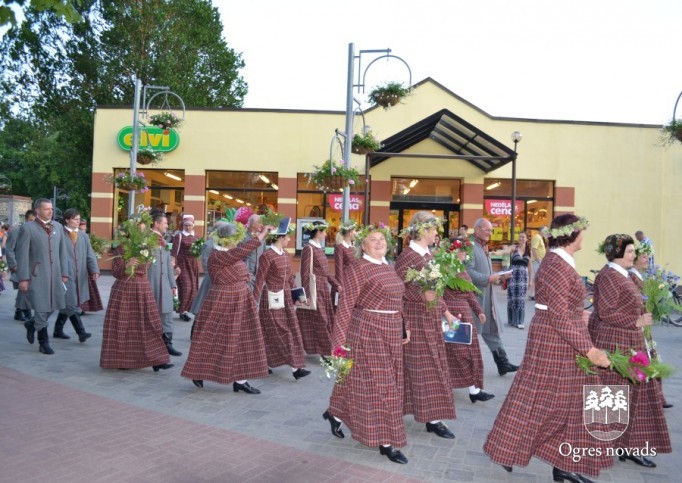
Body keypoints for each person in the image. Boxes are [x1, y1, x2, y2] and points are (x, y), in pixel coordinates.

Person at [484, 214, 613, 482]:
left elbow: (561, 306)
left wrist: (580, 314)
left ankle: (563, 463)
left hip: (563, 336)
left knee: (572, 401)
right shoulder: (556, 264)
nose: (584, 235)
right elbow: (557, 315)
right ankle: (507, 448)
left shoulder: (561, 261)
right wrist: (589, 350)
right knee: (539, 398)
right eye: (582, 231)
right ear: (572, 235)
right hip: (554, 340)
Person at [324, 224, 409, 464]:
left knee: (355, 380)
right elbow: (345, 307)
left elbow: (398, 300)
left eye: (382, 238)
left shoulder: (389, 266)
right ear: (363, 245)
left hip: (391, 332)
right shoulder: (358, 268)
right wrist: (338, 345)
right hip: (367, 333)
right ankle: (387, 442)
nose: (379, 242)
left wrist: (405, 326)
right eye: (373, 239)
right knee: (382, 387)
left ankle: (334, 413)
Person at [588, 234, 671, 468]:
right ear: (617, 253)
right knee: (613, 394)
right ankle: (603, 446)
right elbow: (605, 312)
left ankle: (628, 446)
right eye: (630, 251)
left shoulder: (623, 274)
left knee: (634, 396)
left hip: (630, 341)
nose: (635, 255)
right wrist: (636, 321)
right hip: (616, 341)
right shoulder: (609, 275)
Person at [181, 222, 273, 392]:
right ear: (227, 239)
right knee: (213, 338)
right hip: (223, 301)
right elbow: (244, 250)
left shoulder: (228, 254)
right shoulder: (218, 255)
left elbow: (241, 255)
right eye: (235, 238)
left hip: (239, 301)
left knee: (241, 340)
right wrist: (263, 233)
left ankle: (240, 381)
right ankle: (198, 371)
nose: (238, 241)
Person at [395, 211, 457, 440]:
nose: (436, 234)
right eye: (434, 230)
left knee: (430, 366)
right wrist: (421, 296)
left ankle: (431, 417)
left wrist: (447, 313)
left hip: (430, 319)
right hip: (415, 318)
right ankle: (430, 418)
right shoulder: (407, 256)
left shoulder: (429, 255)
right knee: (422, 367)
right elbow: (399, 290)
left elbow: (435, 291)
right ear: (423, 231)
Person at [100, 216, 173, 372]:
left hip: (143, 287)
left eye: (144, 228)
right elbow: (116, 272)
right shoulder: (122, 247)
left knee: (151, 323)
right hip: (125, 289)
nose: (143, 231)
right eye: (140, 228)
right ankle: (123, 360)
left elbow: (150, 266)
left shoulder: (146, 246)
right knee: (125, 325)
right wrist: (128, 264)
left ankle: (157, 359)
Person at [252, 223, 310, 380]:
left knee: (281, 331)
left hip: (286, 298)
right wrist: (254, 302)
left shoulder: (284, 254)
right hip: (272, 298)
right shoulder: (267, 255)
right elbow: (259, 279)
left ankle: (265, 363)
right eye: (288, 237)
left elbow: (290, 278)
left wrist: (300, 297)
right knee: (281, 331)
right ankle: (295, 368)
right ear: (281, 237)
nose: (289, 240)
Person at [441, 239, 494, 403]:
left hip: (465, 315)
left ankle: (474, 390)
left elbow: (470, 293)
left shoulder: (461, 269)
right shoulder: (445, 269)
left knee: (469, 351)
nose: (465, 254)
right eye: (461, 251)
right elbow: (438, 294)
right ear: (453, 252)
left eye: (465, 251)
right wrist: (446, 313)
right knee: (456, 352)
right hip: (453, 316)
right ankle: (450, 386)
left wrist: (479, 311)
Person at [466, 218, 519, 375]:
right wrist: (488, 278)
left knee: (491, 329)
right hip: (474, 298)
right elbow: (467, 272)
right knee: (470, 333)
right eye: (487, 230)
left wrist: (499, 276)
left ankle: (503, 363)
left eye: (491, 230)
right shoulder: (470, 247)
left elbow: (483, 270)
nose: (490, 233)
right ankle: (464, 368)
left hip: (486, 296)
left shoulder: (482, 246)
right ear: (477, 229)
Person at [16, 199, 69, 355]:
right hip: (37, 275)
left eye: (51, 208)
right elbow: (22, 254)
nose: (50, 211)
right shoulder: (28, 228)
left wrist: (64, 272)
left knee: (54, 305)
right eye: (46, 209)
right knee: (41, 306)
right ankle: (43, 341)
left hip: (55, 274)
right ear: (37, 211)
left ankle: (32, 323)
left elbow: (62, 251)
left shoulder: (58, 227)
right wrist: (23, 278)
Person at [629, 242, 672, 409]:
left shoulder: (640, 276)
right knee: (644, 360)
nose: (647, 259)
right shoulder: (632, 276)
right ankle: (653, 399)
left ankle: (658, 398)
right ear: (635, 259)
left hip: (644, 324)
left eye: (647, 256)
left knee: (651, 358)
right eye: (644, 257)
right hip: (638, 324)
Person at [52, 208, 99, 342]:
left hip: (80, 275)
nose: (78, 221)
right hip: (64, 275)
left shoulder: (83, 236)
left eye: (79, 219)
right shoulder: (59, 235)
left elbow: (90, 255)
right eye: (75, 219)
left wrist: (94, 270)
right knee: (71, 303)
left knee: (68, 303)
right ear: (67, 220)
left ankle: (56, 330)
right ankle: (81, 332)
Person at [297, 221, 340, 356]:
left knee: (324, 320)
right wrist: (306, 295)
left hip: (322, 289)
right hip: (314, 289)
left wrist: (336, 285)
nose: (326, 234)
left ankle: (324, 351)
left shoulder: (319, 249)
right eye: (324, 231)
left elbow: (326, 272)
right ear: (318, 232)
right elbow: (305, 273)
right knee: (321, 320)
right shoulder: (308, 248)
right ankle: (327, 353)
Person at [148, 212, 181, 357]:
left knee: (167, 313)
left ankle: (168, 344)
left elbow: (168, 265)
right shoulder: (147, 240)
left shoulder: (164, 242)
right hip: (151, 283)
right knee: (152, 315)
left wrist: (173, 284)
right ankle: (154, 347)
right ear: (156, 224)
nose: (167, 226)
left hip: (165, 284)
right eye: (165, 223)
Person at [5, 210, 36, 322]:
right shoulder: (16, 232)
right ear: (26, 219)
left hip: (32, 267)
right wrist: (13, 265)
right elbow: (9, 250)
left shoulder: (35, 232)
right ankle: (27, 313)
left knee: (25, 289)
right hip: (19, 266)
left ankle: (18, 312)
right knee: (25, 289)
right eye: (31, 220)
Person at [172, 214, 199, 321]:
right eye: (186, 225)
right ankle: (182, 311)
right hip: (182, 264)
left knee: (193, 288)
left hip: (193, 264)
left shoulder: (196, 237)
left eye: (190, 225)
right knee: (186, 288)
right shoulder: (179, 236)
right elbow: (174, 252)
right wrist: (175, 266)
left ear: (193, 225)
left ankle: (186, 311)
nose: (188, 227)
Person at [78, 219, 104, 314]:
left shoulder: (86, 237)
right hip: (78, 267)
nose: (83, 228)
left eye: (84, 227)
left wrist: (94, 269)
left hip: (86, 267)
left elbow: (90, 253)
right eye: (82, 227)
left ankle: (83, 307)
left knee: (86, 288)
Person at [507, 231, 530, 329]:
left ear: (527, 239)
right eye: (520, 237)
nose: (521, 238)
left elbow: (530, 266)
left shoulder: (528, 251)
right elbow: (504, 251)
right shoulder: (514, 248)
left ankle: (520, 321)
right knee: (512, 297)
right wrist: (493, 253)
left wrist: (531, 281)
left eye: (523, 237)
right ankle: (512, 320)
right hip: (513, 275)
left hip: (523, 277)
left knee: (521, 299)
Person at [243, 213, 266, 291]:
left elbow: (264, 254)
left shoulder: (262, 238)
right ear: (253, 224)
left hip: (259, 273)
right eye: (259, 223)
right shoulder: (243, 236)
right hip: (247, 273)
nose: (262, 225)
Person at [528, 227, 546, 300]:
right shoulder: (537, 237)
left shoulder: (540, 238)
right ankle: (533, 294)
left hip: (539, 260)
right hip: (537, 261)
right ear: (541, 231)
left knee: (536, 277)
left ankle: (533, 294)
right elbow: (534, 249)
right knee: (537, 277)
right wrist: (538, 259)